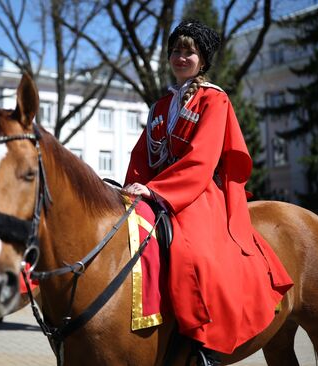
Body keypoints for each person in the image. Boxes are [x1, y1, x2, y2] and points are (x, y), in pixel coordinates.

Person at [122, 20, 293, 364]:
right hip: (156, 190)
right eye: (175, 51)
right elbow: (142, 155)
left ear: (202, 59)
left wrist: (156, 190)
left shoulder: (215, 99)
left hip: (196, 192)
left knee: (196, 254)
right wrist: (132, 187)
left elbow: (203, 158)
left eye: (188, 51)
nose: (180, 57)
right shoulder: (159, 106)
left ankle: (204, 344)